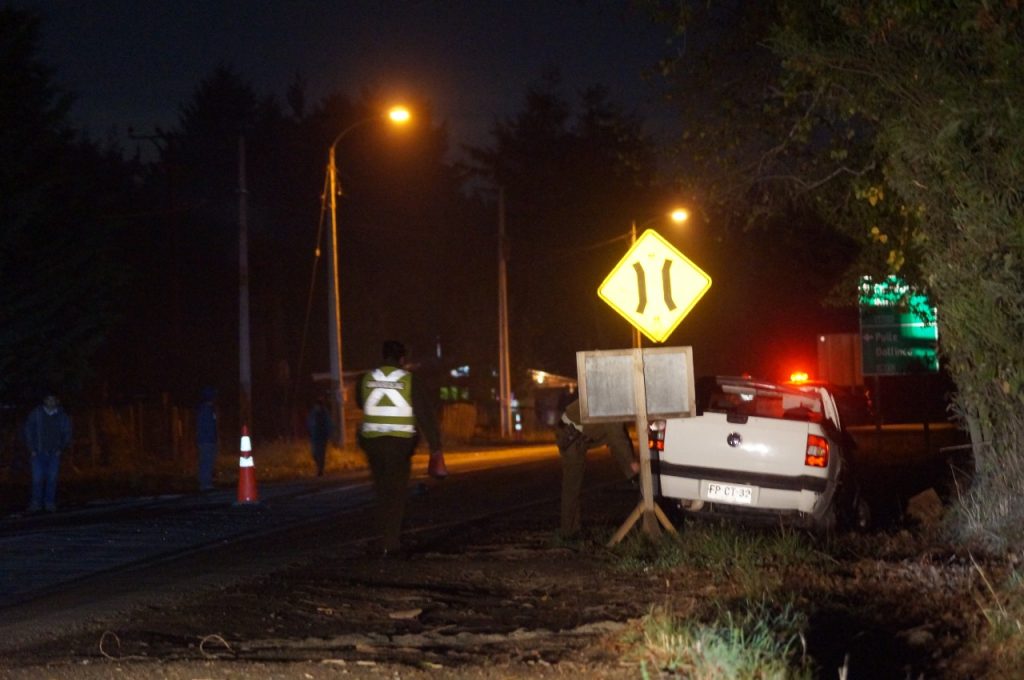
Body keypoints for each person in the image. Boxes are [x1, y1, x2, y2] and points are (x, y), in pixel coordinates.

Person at [356, 340, 445, 555]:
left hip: (373, 443)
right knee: (396, 492)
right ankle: (390, 541)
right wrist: (436, 447)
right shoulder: (409, 380)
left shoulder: (366, 378)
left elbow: (361, 402)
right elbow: (425, 415)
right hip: (400, 444)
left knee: (382, 489)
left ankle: (384, 536)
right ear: (402, 359)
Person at [556, 398, 639, 537]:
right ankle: (568, 533)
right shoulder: (613, 402)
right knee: (572, 486)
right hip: (570, 436)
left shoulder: (613, 397)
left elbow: (618, 438)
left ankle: (572, 529)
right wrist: (632, 464)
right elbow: (617, 438)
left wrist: (630, 471)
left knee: (574, 486)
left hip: (578, 436)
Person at [24, 392, 73, 513]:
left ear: (57, 401)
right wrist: (31, 449)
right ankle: (36, 503)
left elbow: (67, 432)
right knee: (37, 479)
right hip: (38, 452)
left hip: (54, 453)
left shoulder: (62, 416)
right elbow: (28, 430)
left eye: (53, 400)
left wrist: (61, 448)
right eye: (48, 399)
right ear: (44, 401)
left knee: (52, 479)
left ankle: (49, 503)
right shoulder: (36, 414)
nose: (51, 402)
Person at [196, 387, 218, 492]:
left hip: (206, 440)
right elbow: (208, 426)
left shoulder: (206, 409)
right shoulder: (206, 410)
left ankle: (206, 482)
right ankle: (205, 484)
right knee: (206, 461)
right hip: (207, 440)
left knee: (206, 461)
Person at [306, 398, 332, 476]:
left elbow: (328, 424)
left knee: (321, 454)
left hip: (322, 436)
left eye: (317, 405)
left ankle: (320, 470)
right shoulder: (313, 413)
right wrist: (309, 432)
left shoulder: (324, 413)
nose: (316, 407)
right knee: (314, 453)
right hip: (315, 436)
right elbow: (309, 422)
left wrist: (328, 434)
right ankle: (319, 467)